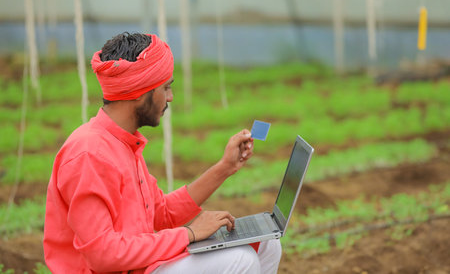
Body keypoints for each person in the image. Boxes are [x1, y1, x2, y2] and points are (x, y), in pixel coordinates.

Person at [43, 32, 282, 273]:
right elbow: (103, 254)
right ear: (139, 91)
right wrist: (189, 234)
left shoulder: (124, 143)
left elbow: (162, 213)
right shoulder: (89, 154)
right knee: (242, 260)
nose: (170, 97)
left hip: (140, 264)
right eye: (165, 87)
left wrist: (225, 167)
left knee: (267, 245)